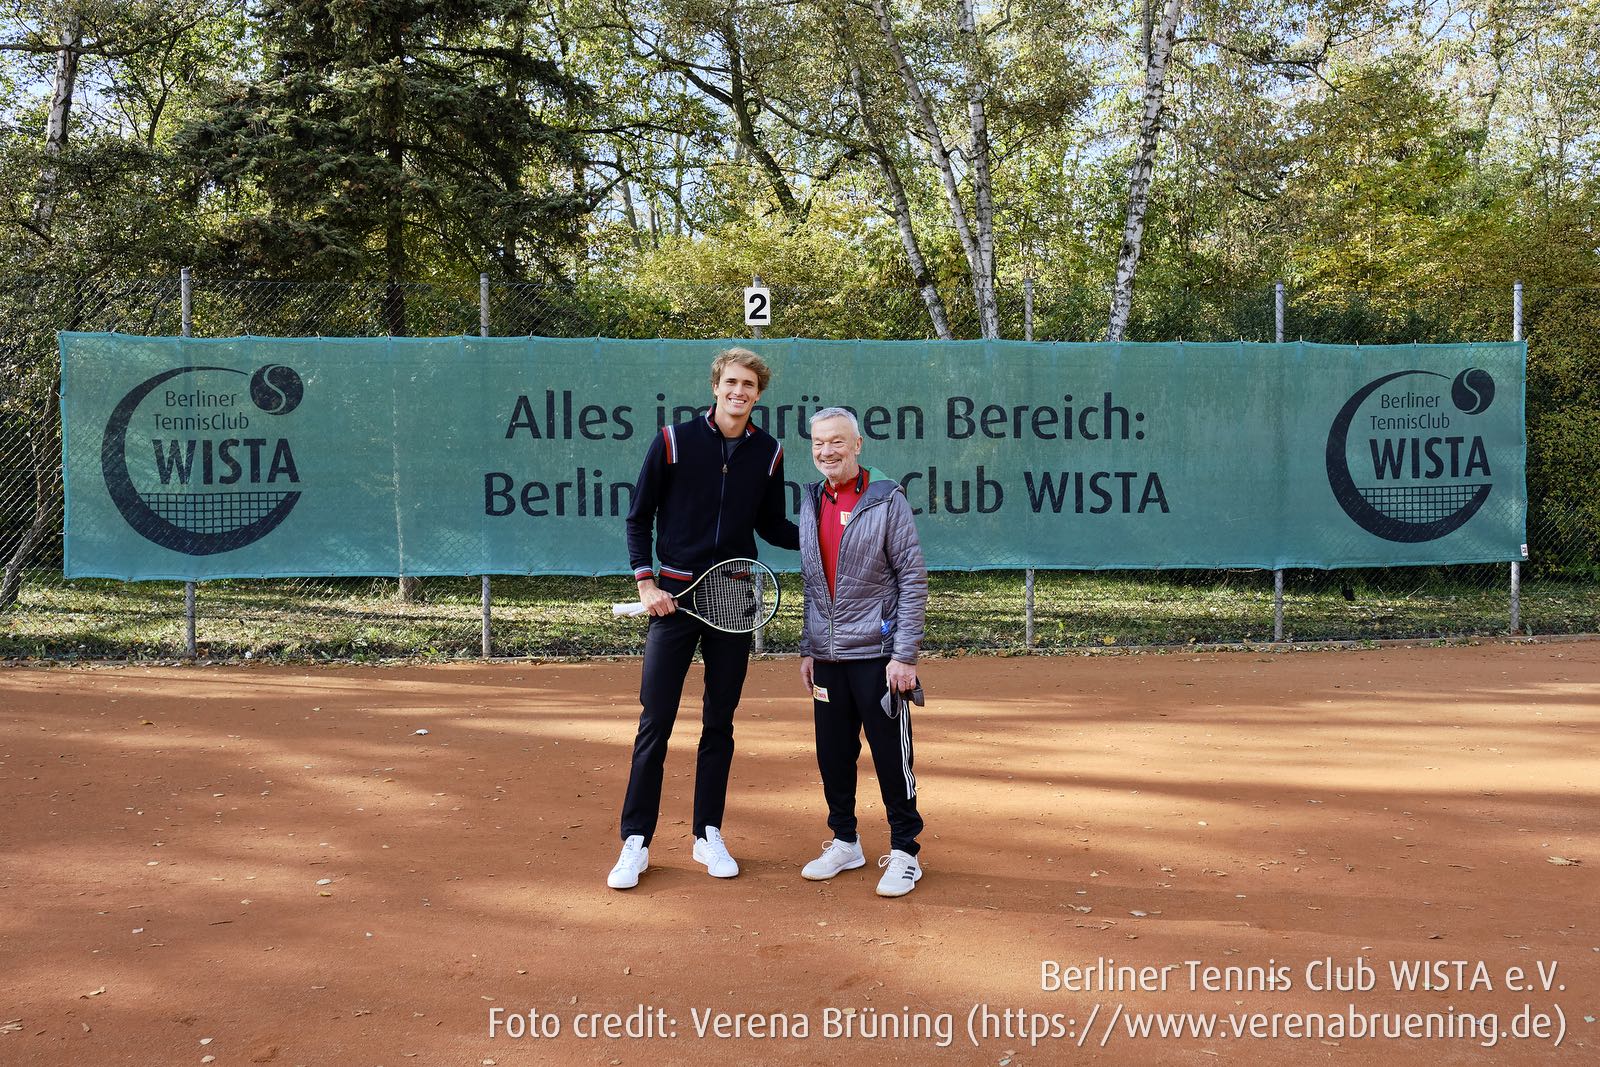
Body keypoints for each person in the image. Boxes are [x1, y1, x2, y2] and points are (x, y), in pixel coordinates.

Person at [607, 348, 799, 890]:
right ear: (716, 386)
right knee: (656, 720)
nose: (739, 392)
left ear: (758, 394)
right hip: (673, 597)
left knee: (719, 722)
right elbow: (639, 517)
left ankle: (707, 833)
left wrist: (829, 526)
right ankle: (636, 840)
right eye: (731, 382)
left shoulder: (769, 452)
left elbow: (773, 525)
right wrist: (646, 583)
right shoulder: (672, 441)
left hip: (732, 601)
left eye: (749, 386)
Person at [796, 407, 929, 897]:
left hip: (878, 655)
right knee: (833, 755)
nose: (826, 451)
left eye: (836, 442)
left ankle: (905, 851)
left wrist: (905, 655)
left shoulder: (886, 498)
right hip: (827, 658)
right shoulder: (810, 500)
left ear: (857, 444)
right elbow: (814, 582)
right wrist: (810, 647)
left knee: (892, 756)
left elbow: (912, 579)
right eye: (818, 444)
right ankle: (845, 841)